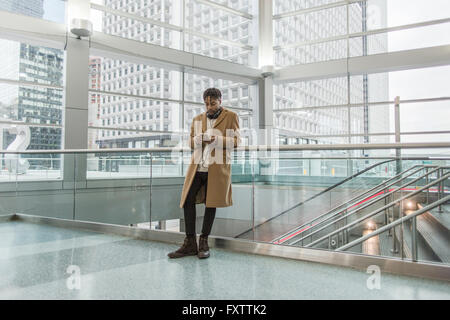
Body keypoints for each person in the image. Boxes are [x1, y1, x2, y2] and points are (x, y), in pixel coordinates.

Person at [168, 88, 240, 259]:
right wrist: (197, 140)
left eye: (213, 103)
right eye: (207, 104)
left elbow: (236, 141)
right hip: (197, 167)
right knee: (187, 200)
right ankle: (190, 242)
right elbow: (191, 143)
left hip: (217, 168)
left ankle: (204, 242)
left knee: (211, 203)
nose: (209, 107)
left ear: (220, 101)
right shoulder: (197, 119)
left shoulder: (231, 117)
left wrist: (217, 139)